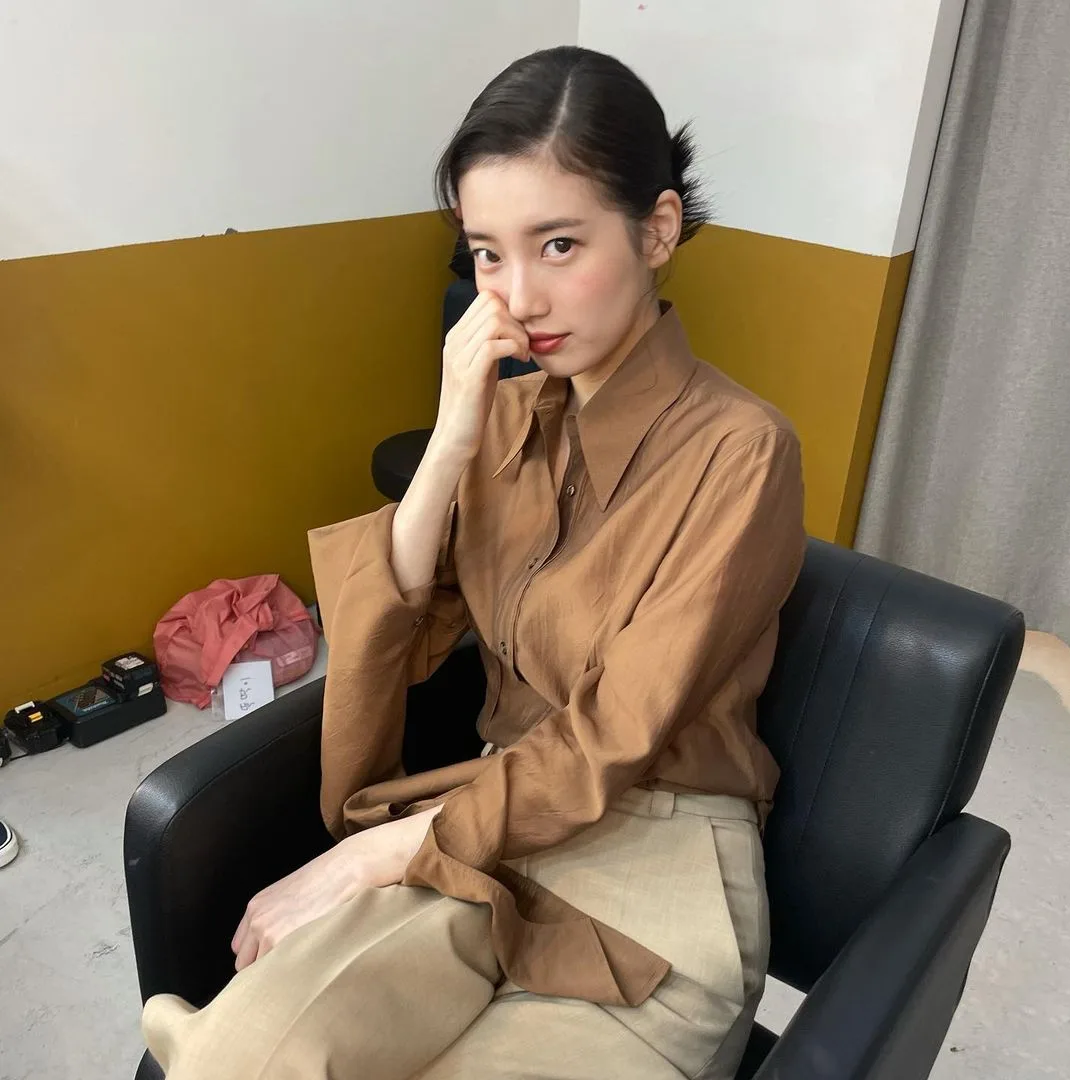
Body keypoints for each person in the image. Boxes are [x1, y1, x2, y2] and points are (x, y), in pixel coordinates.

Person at [142, 45, 805, 1079]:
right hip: (483, 822)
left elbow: (615, 736)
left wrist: (370, 855)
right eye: (488, 254)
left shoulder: (743, 452)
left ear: (658, 229)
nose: (519, 296)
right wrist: (453, 432)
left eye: (559, 244)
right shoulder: (503, 414)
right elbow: (397, 624)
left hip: (655, 860)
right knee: (238, 1063)